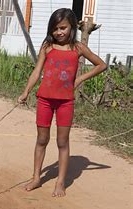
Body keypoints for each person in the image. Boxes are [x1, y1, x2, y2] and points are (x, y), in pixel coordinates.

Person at [17, 8, 107, 197]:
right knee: (42, 139)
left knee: (62, 142)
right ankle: (36, 178)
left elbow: (101, 65)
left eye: (63, 28)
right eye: (55, 29)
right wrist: (26, 92)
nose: (59, 32)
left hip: (66, 102)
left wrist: (80, 79)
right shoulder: (47, 47)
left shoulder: (78, 48)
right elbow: (36, 72)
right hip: (44, 101)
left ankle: (60, 182)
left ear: (72, 27)